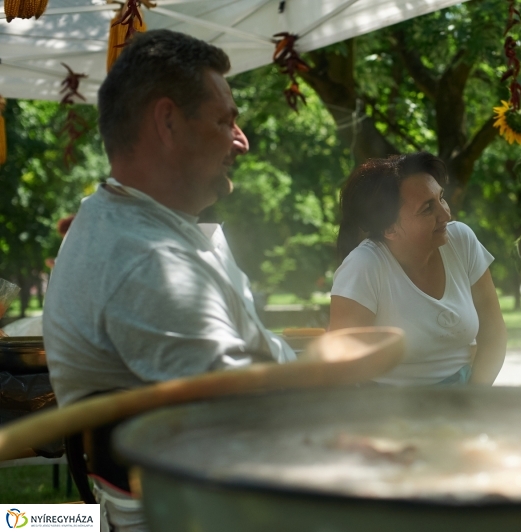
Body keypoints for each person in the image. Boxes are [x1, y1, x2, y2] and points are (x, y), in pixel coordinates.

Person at [43, 30, 295, 531]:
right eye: (225, 121)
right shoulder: (147, 261)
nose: (241, 140)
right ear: (167, 122)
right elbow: (253, 424)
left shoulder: (128, 222)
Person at [329, 152, 506, 386]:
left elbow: (494, 335)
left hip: (465, 393)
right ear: (390, 229)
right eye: (427, 209)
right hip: (387, 402)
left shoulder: (461, 241)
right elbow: (343, 366)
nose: (445, 214)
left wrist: (472, 399)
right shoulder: (364, 267)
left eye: (441, 198)